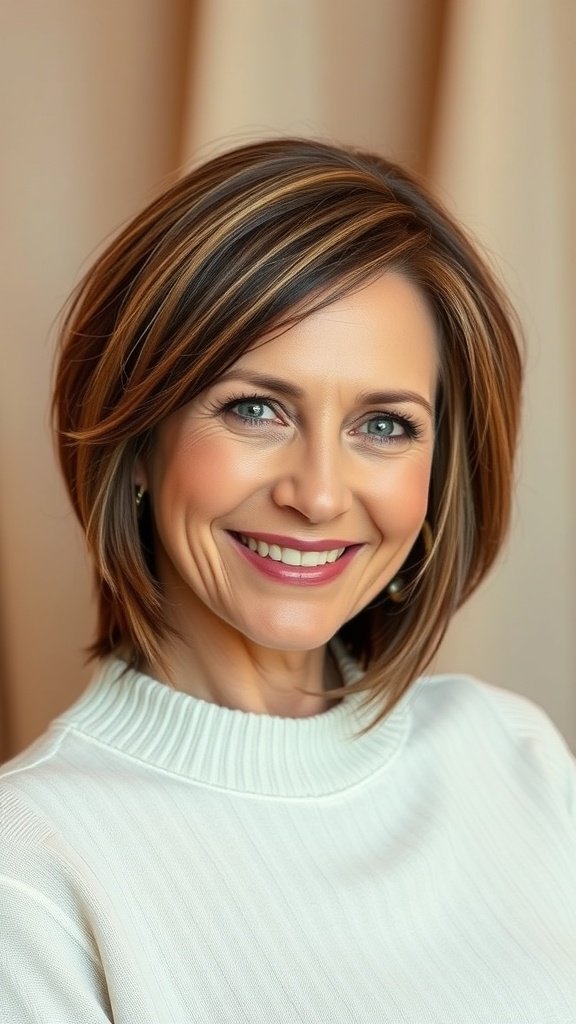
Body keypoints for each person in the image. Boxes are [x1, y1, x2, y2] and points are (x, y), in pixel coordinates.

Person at [1, 138, 575, 1023]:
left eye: (385, 425)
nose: (315, 494)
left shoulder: (515, 755)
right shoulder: (31, 870)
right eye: (255, 409)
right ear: (138, 436)